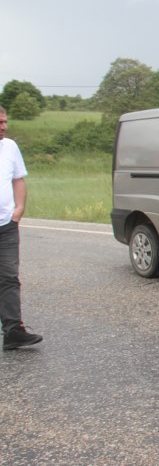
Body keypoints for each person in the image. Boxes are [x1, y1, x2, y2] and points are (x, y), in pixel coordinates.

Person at [0, 107, 42, 351]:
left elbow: (18, 179)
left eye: (5, 122)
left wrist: (19, 208)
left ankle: (13, 330)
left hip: (6, 224)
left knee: (8, 278)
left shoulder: (10, 147)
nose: (3, 126)